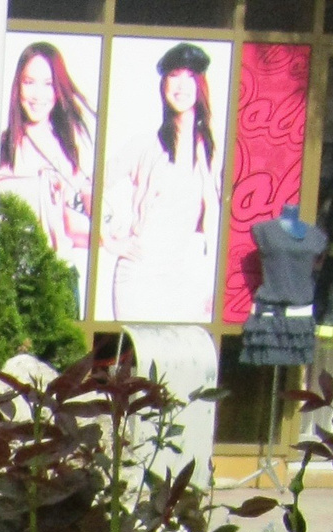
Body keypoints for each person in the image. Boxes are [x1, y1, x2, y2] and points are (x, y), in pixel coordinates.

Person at [105, 43, 220, 323]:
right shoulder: (146, 145)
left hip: (186, 275)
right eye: (174, 76)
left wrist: (212, 282)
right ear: (163, 84)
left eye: (190, 76)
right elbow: (93, 188)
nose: (182, 86)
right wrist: (109, 237)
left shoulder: (209, 150)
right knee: (135, 362)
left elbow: (214, 220)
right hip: (140, 275)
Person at [0, 42, 96, 286]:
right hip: (9, 281)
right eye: (29, 82)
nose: (37, 95)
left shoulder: (71, 148)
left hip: (58, 277)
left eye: (48, 84)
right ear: (17, 86)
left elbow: (78, 223)